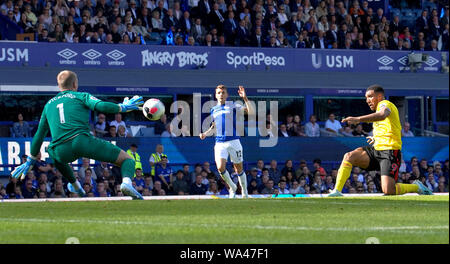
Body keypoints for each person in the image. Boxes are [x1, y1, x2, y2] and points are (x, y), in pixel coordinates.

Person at [11, 70, 145, 200]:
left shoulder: (48, 105)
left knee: (55, 155)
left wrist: (31, 159)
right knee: (127, 160)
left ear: (59, 86)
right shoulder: (81, 96)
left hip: (61, 149)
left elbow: (39, 135)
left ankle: (76, 186)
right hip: (82, 141)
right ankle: (126, 182)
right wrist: (122, 107)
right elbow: (101, 106)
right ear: (75, 84)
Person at [329, 85, 433, 197]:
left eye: (370, 97)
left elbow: (382, 115)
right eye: (366, 98)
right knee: (349, 156)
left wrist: (358, 119)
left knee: (389, 190)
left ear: (379, 96)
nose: (367, 100)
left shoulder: (385, 104)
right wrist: (376, 138)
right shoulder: (377, 111)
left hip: (390, 152)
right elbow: (387, 127)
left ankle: (417, 187)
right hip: (376, 150)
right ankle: (337, 191)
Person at [199, 85, 254, 198]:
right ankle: (232, 187)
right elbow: (214, 126)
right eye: (219, 93)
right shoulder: (213, 109)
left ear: (227, 95)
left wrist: (245, 98)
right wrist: (205, 133)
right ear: (216, 95)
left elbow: (250, 112)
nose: (221, 95)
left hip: (234, 141)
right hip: (219, 143)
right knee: (220, 167)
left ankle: (244, 190)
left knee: (238, 168)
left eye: (223, 92)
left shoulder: (232, 105)